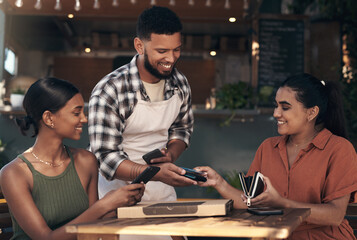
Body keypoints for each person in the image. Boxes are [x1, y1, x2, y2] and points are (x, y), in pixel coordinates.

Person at [196, 73, 357, 239]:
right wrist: (219, 183)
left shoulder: (339, 149)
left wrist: (282, 203)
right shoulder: (268, 147)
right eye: (276, 106)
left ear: (311, 112)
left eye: (285, 107)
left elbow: (335, 215)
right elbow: (250, 202)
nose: (276, 113)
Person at [0, 78, 145, 240]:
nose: (84, 119)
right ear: (49, 118)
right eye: (76, 113)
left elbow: (92, 226)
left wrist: (118, 204)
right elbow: (46, 238)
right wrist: (105, 205)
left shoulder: (86, 160)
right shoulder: (14, 173)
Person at [88, 5, 196, 205]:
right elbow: (106, 158)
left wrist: (170, 154)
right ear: (139, 46)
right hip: (115, 191)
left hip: (161, 187)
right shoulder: (110, 90)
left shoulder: (180, 83)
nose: (171, 59)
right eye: (162, 51)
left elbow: (182, 129)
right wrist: (153, 173)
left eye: (177, 50)